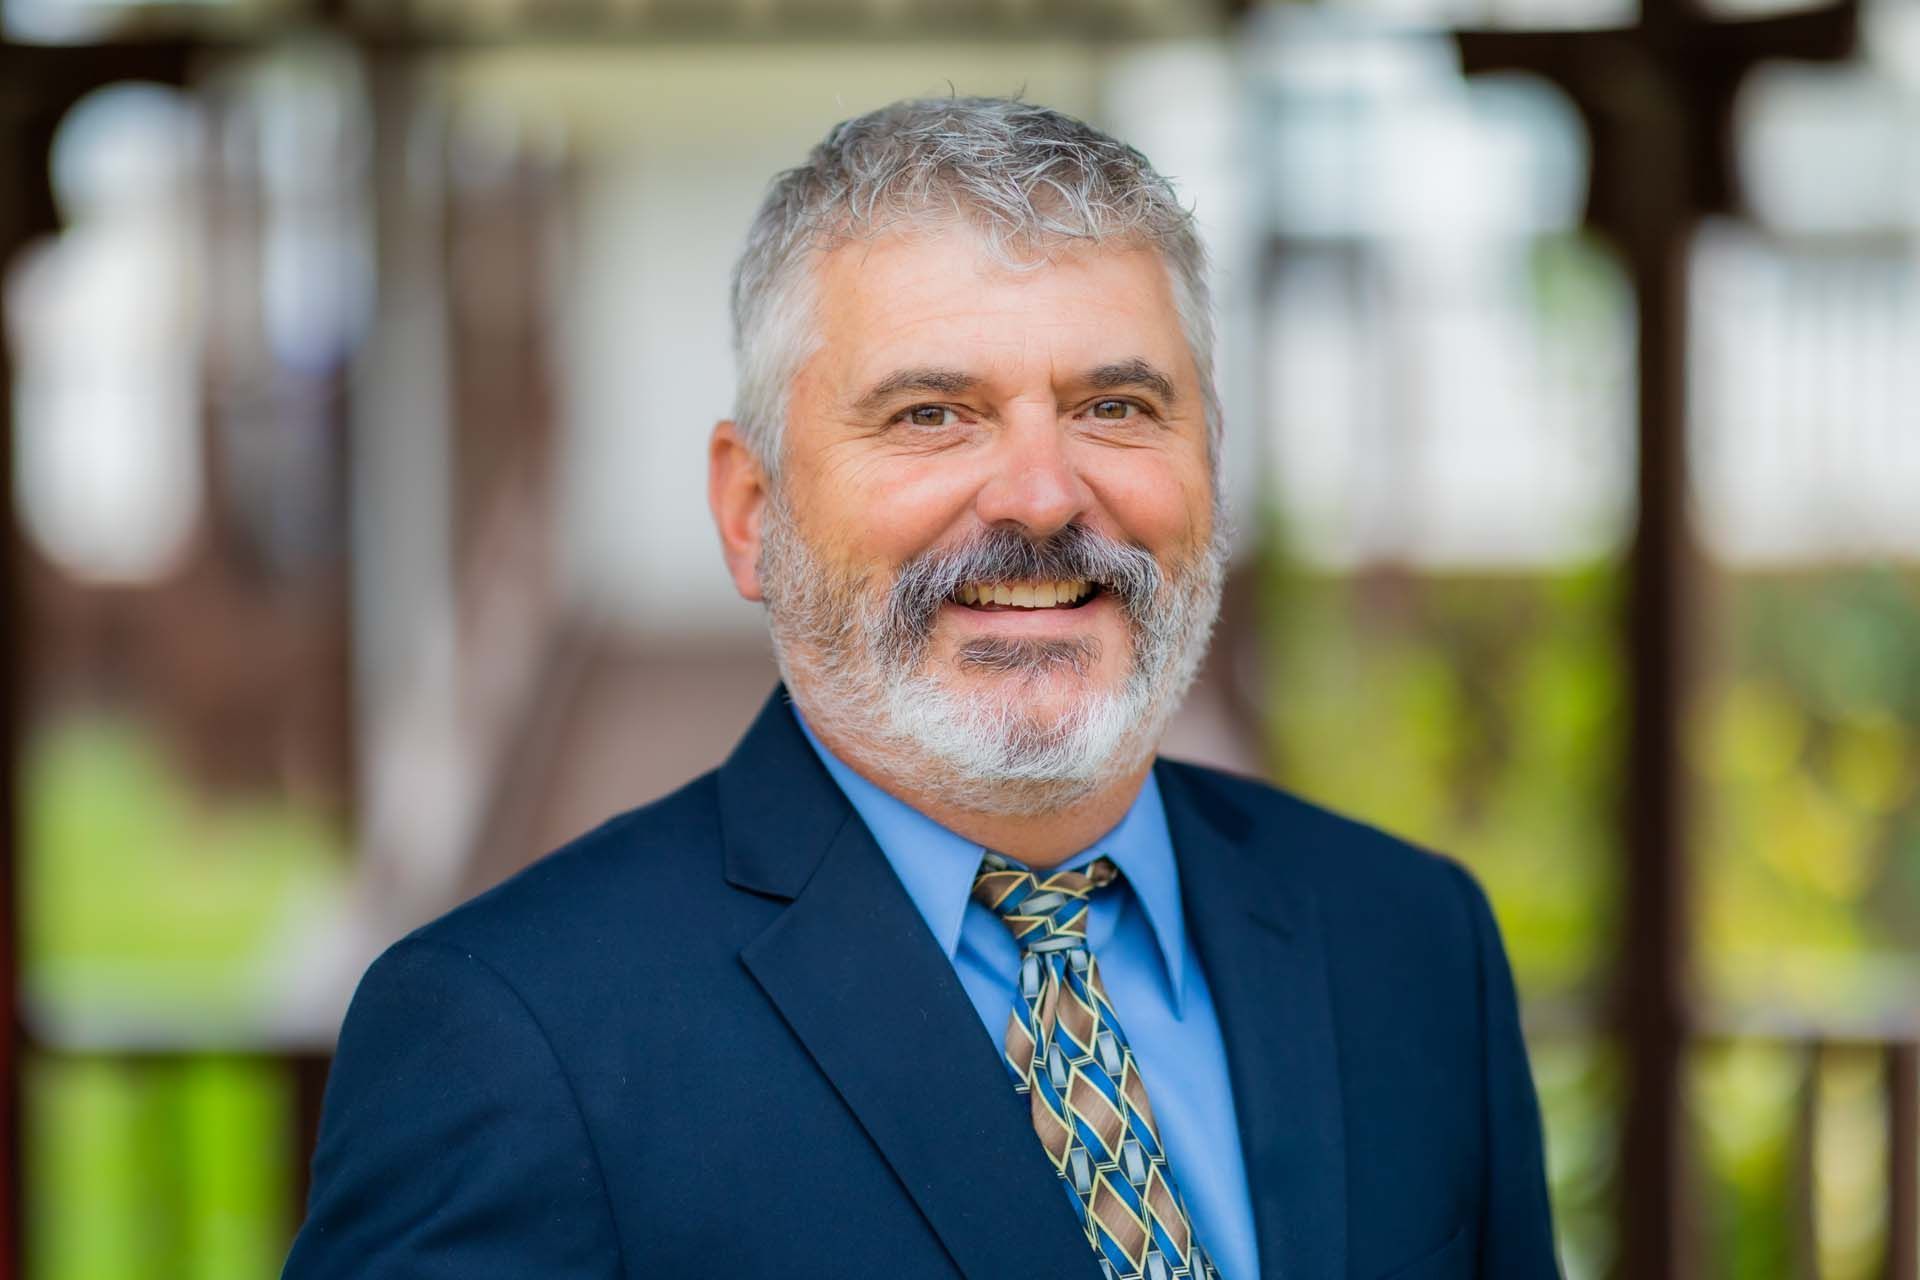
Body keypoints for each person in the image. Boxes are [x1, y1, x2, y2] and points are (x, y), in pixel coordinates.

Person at [284, 97, 1560, 1280]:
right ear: (752, 510)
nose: (1044, 495)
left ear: (1211, 474)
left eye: (1115, 405)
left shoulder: (1411, 941)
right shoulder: (511, 1032)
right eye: (931, 415)